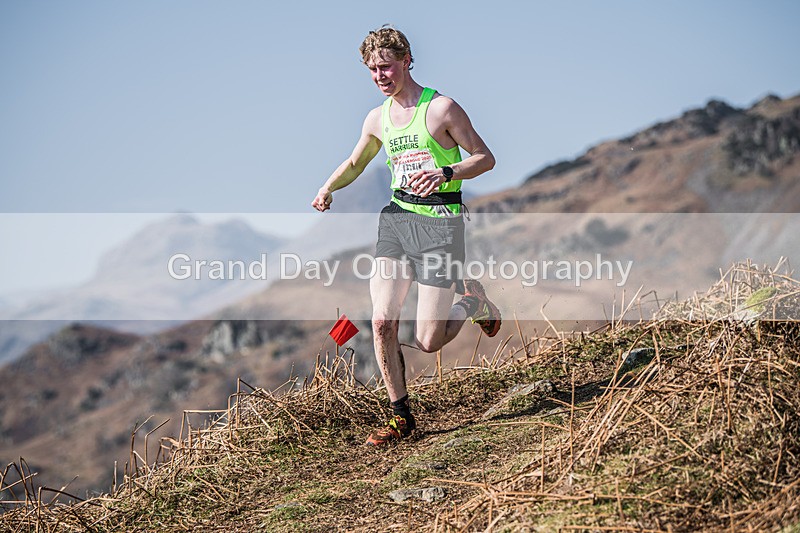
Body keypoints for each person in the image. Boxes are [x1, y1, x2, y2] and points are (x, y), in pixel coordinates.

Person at [312, 26, 501, 446]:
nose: (381, 75)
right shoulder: (377, 118)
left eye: (387, 66)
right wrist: (327, 188)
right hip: (397, 220)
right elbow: (355, 162)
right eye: (373, 69)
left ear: (406, 61)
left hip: (440, 224)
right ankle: (401, 417)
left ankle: (472, 302)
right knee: (381, 321)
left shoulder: (442, 109)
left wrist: (447, 171)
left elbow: (485, 158)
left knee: (428, 340)